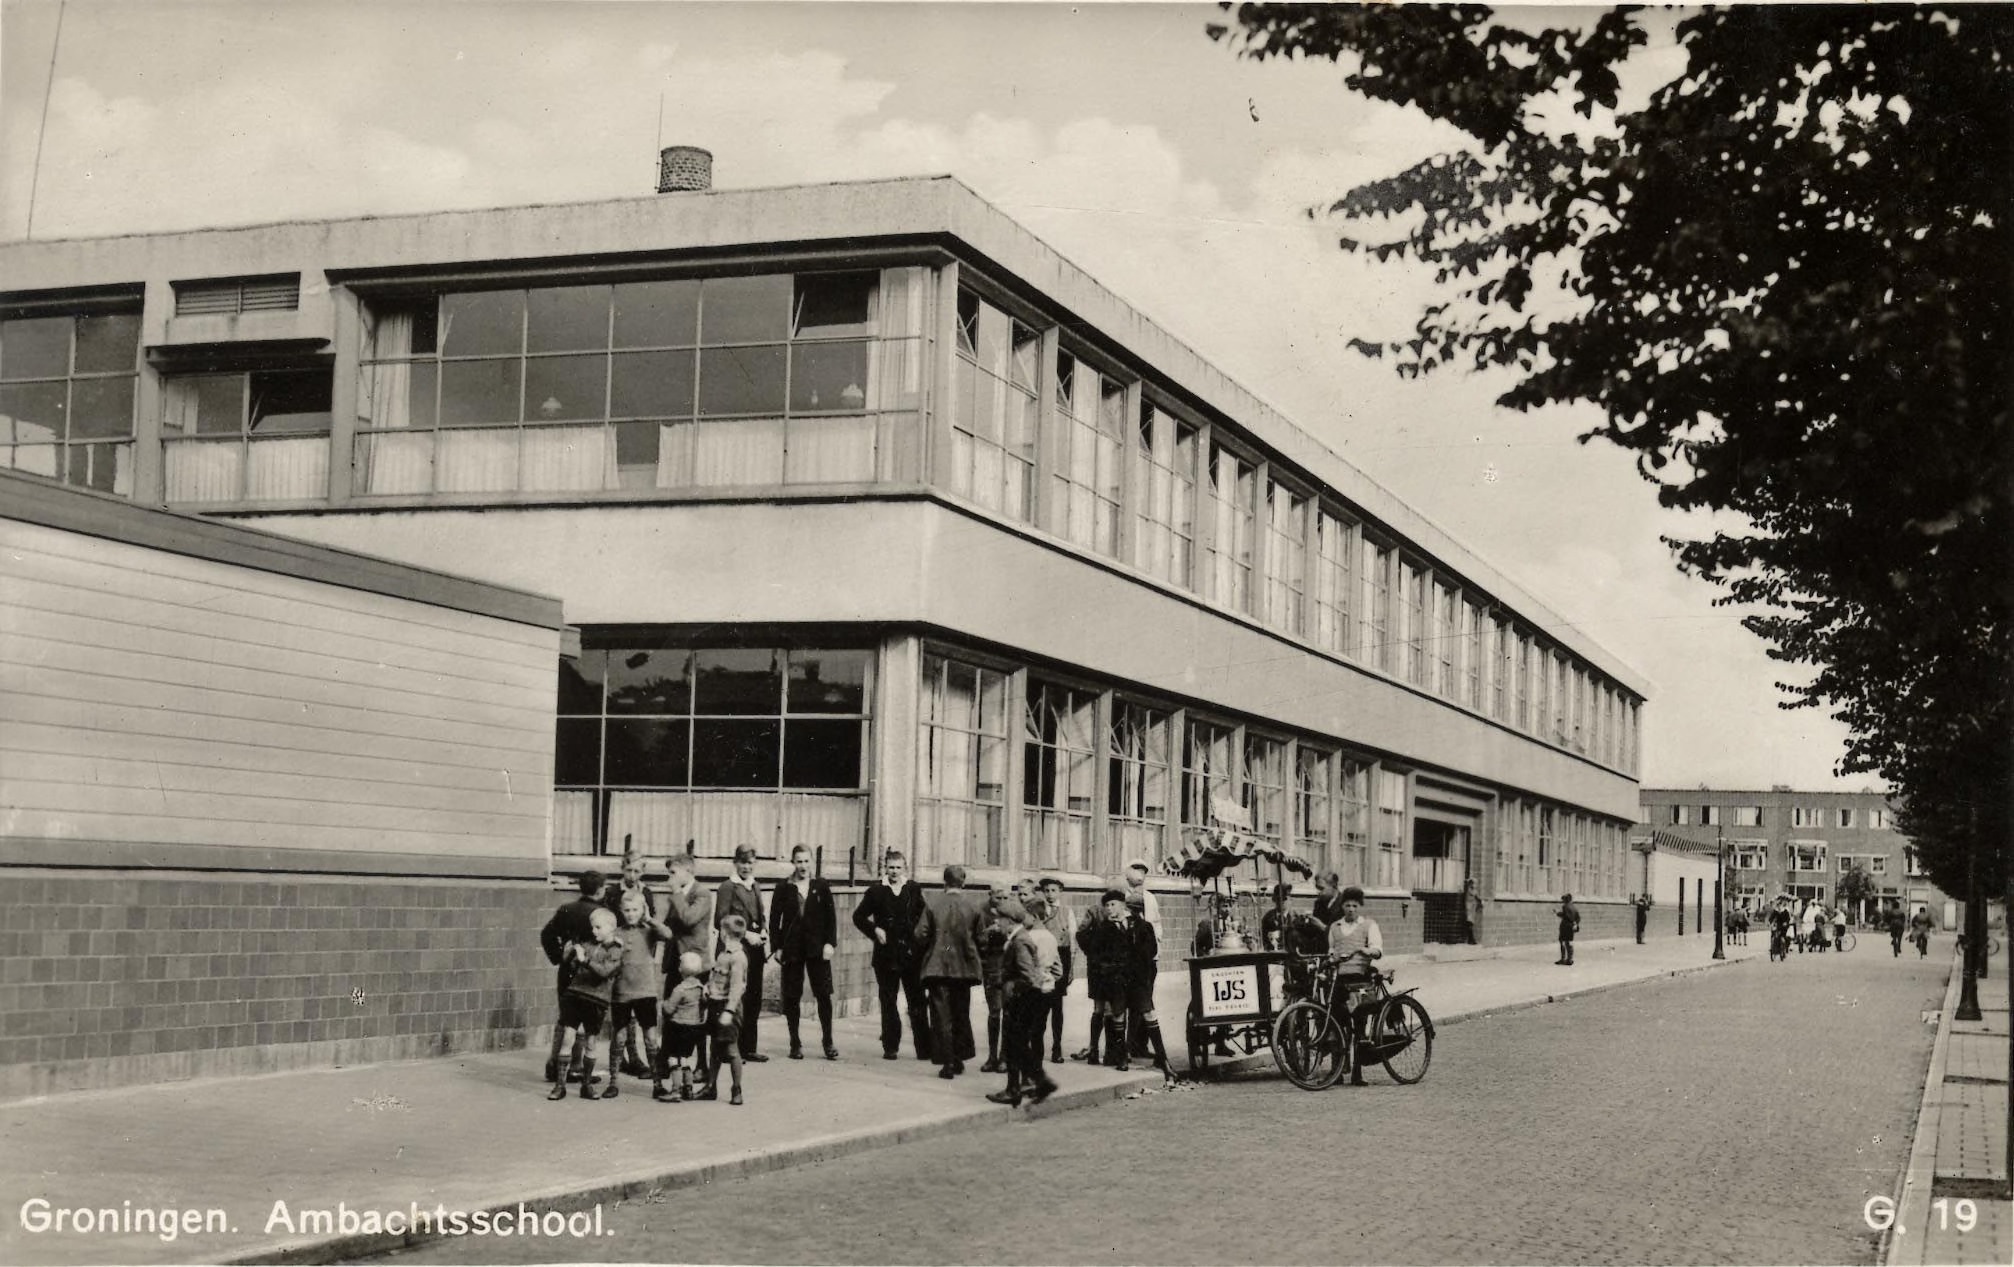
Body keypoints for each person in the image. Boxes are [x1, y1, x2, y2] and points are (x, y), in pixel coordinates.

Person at [852, 850, 932, 1061]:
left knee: (917, 1000)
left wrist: (920, 942)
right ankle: (890, 1046)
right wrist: (874, 930)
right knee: (888, 1001)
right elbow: (858, 917)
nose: (894, 872)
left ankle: (924, 1048)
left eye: (898, 867)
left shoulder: (913, 889)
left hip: (910, 955)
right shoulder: (876, 891)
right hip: (886, 956)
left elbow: (925, 917)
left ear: (904, 868)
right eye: (891, 867)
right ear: (885, 868)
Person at [988, 896, 1061, 1107]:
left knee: (1016, 1045)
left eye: (999, 920)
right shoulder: (1017, 937)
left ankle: (1034, 1084)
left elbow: (1028, 976)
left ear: (1009, 920)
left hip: (1023, 1000)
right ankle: (1022, 1086)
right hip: (1023, 999)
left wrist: (1010, 986)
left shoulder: (1020, 941)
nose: (996, 924)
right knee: (1015, 1046)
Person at [770, 843, 840, 1061]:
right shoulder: (783, 887)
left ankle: (828, 1042)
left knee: (823, 995)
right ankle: (795, 1043)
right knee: (792, 996)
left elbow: (831, 918)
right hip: (792, 949)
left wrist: (830, 944)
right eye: (799, 861)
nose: (803, 866)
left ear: (812, 862)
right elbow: (774, 921)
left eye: (806, 861)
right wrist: (777, 947)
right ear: (793, 863)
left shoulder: (821, 886)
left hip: (817, 949)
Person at [548, 906, 625, 1101]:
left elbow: (604, 972)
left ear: (611, 927)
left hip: (596, 1000)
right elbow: (573, 965)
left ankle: (587, 1084)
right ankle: (560, 1085)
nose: (594, 931)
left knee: (591, 1042)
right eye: (593, 927)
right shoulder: (589, 943)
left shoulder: (616, 950)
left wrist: (584, 960)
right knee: (568, 1037)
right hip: (576, 994)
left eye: (598, 927)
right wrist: (569, 955)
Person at [916, 864, 985, 1080]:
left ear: (944, 881)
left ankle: (946, 1062)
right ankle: (958, 1058)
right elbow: (981, 939)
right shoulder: (973, 907)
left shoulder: (933, 904)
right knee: (960, 1013)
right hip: (963, 969)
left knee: (940, 1016)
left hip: (937, 967)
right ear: (963, 883)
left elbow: (920, 934)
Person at [606, 889, 675, 1102]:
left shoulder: (649, 930)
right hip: (622, 993)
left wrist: (649, 918)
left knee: (651, 1039)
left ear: (642, 909)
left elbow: (668, 934)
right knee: (619, 1038)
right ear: (620, 910)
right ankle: (613, 1082)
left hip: (646, 991)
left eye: (635, 909)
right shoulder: (615, 933)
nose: (630, 914)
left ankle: (657, 1083)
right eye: (626, 910)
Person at [540, 870, 608, 1084]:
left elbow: (547, 934)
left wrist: (559, 957)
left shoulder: (567, 909)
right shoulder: (602, 914)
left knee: (566, 1017)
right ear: (600, 890)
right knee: (585, 1019)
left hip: (567, 969)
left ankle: (555, 1064)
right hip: (589, 972)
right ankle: (575, 1066)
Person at [714, 845, 769, 1063]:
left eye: (750, 862)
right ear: (735, 863)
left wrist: (763, 930)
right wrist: (746, 934)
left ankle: (749, 1047)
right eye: (742, 862)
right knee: (736, 998)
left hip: (755, 950)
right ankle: (731, 1050)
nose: (746, 867)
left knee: (754, 997)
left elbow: (761, 914)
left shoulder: (754, 885)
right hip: (738, 949)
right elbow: (722, 920)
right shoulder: (728, 887)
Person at [1326, 885, 1383, 1086]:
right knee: (1337, 1026)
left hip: (1360, 982)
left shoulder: (1368, 925)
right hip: (1340, 982)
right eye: (1347, 905)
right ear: (1342, 906)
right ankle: (1337, 1071)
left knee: (1359, 1028)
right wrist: (1332, 958)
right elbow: (1331, 950)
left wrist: (1367, 951)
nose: (1351, 909)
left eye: (1355, 906)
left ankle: (1358, 1073)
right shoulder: (1335, 927)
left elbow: (1377, 949)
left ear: (1359, 907)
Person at [1077, 890, 1136, 1070]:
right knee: (1100, 1008)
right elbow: (1082, 936)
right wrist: (1095, 958)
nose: (1110, 908)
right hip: (1100, 972)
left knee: (1111, 1010)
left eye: (1114, 904)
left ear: (1122, 904)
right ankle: (1095, 1049)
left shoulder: (1126, 922)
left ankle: (1111, 1052)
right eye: (1107, 904)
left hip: (1113, 974)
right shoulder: (1097, 918)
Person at [698, 913, 751, 1105]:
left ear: (725, 934)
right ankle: (710, 1087)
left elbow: (737, 987)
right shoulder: (723, 954)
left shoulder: (738, 958)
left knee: (731, 1049)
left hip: (728, 1008)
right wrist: (708, 987)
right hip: (715, 1003)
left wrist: (729, 1011)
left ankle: (736, 1090)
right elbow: (716, 977)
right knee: (715, 1048)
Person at [1122, 889, 1176, 1077]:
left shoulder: (1144, 927)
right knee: (1128, 1013)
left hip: (1139, 977)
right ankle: (1124, 1052)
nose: (1129, 915)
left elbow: (1150, 952)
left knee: (1145, 1012)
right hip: (1127, 977)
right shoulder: (1122, 927)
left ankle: (1161, 1057)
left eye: (1131, 911)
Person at [1121, 861, 1162, 1059]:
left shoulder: (1150, 898)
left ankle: (1141, 1045)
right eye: (1136, 873)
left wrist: (1156, 952)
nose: (1140, 877)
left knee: (1146, 1002)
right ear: (1127, 876)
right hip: (1128, 962)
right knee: (1129, 1005)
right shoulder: (1121, 898)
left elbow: (1157, 925)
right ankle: (1126, 1047)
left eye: (1143, 873)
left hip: (1147, 960)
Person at [1034, 878, 1074, 1063]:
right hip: (1043, 958)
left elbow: (1072, 941)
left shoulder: (1067, 911)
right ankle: (1037, 1048)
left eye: (1053, 890)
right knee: (1040, 1005)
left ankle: (1057, 1048)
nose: (1050, 894)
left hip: (1061, 957)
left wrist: (1070, 968)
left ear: (1060, 892)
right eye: (1046, 890)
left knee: (1057, 1006)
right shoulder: (1038, 911)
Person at [661, 951, 708, 1101]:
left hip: (678, 1027)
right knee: (686, 1058)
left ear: (680, 969)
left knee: (674, 1059)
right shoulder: (700, 988)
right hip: (694, 1027)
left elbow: (669, 1009)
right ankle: (688, 1088)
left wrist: (663, 1004)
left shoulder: (679, 989)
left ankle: (675, 1090)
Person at [978, 887, 1013, 1074]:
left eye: (1006, 897)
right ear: (990, 895)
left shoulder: (1014, 913)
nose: (1002, 901)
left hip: (1009, 969)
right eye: (998, 897)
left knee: (1008, 1012)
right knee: (994, 1012)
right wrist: (991, 933)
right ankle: (992, 1056)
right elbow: (977, 939)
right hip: (991, 967)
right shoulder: (982, 913)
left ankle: (1004, 1057)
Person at [1555, 893, 1580, 966]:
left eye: (1563, 899)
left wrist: (1557, 913)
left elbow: (1565, 916)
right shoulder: (1574, 907)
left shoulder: (1565, 907)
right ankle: (1570, 959)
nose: (1562, 901)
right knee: (1569, 943)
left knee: (1562, 942)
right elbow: (1578, 918)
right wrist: (1576, 924)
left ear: (1566, 900)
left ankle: (1563, 959)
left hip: (1565, 927)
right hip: (1571, 927)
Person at [1463, 877, 1484, 945]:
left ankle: (1470, 939)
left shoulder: (1471, 889)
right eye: (1474, 883)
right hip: (1470, 908)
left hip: (1472, 908)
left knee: (1471, 923)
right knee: (1470, 923)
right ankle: (1471, 939)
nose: (1475, 885)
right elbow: (1475, 895)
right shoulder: (1470, 890)